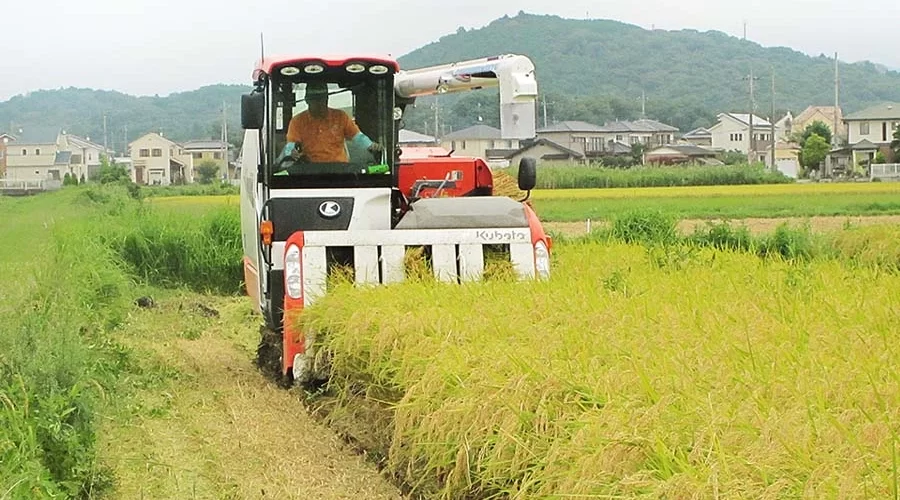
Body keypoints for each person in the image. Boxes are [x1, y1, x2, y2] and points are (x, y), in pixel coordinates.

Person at [283, 81, 382, 164]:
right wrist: (291, 152)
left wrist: (370, 145)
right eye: (315, 100)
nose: (320, 104)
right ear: (307, 100)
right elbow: (291, 144)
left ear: (327, 98)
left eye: (323, 99)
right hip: (309, 171)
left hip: (340, 170)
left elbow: (358, 137)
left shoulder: (340, 117)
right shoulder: (297, 122)